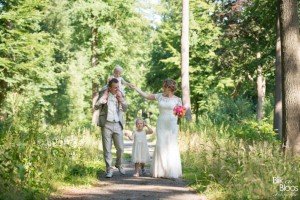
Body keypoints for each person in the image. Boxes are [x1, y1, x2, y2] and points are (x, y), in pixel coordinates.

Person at [129, 79, 183, 178]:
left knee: (171, 145)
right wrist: (136, 88)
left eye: (165, 87)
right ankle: (161, 171)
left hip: (171, 124)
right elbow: (146, 95)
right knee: (161, 144)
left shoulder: (177, 99)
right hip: (161, 123)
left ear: (170, 88)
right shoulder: (159, 96)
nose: (163, 88)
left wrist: (180, 113)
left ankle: (171, 171)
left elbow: (180, 114)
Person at [94, 78, 128, 178]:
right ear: (109, 87)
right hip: (106, 124)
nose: (117, 89)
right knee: (107, 149)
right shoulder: (104, 93)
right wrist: (103, 99)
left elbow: (125, 109)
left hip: (117, 124)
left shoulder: (120, 94)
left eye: (118, 87)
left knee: (120, 148)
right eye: (115, 88)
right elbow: (96, 107)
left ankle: (119, 164)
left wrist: (121, 100)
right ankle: (109, 169)